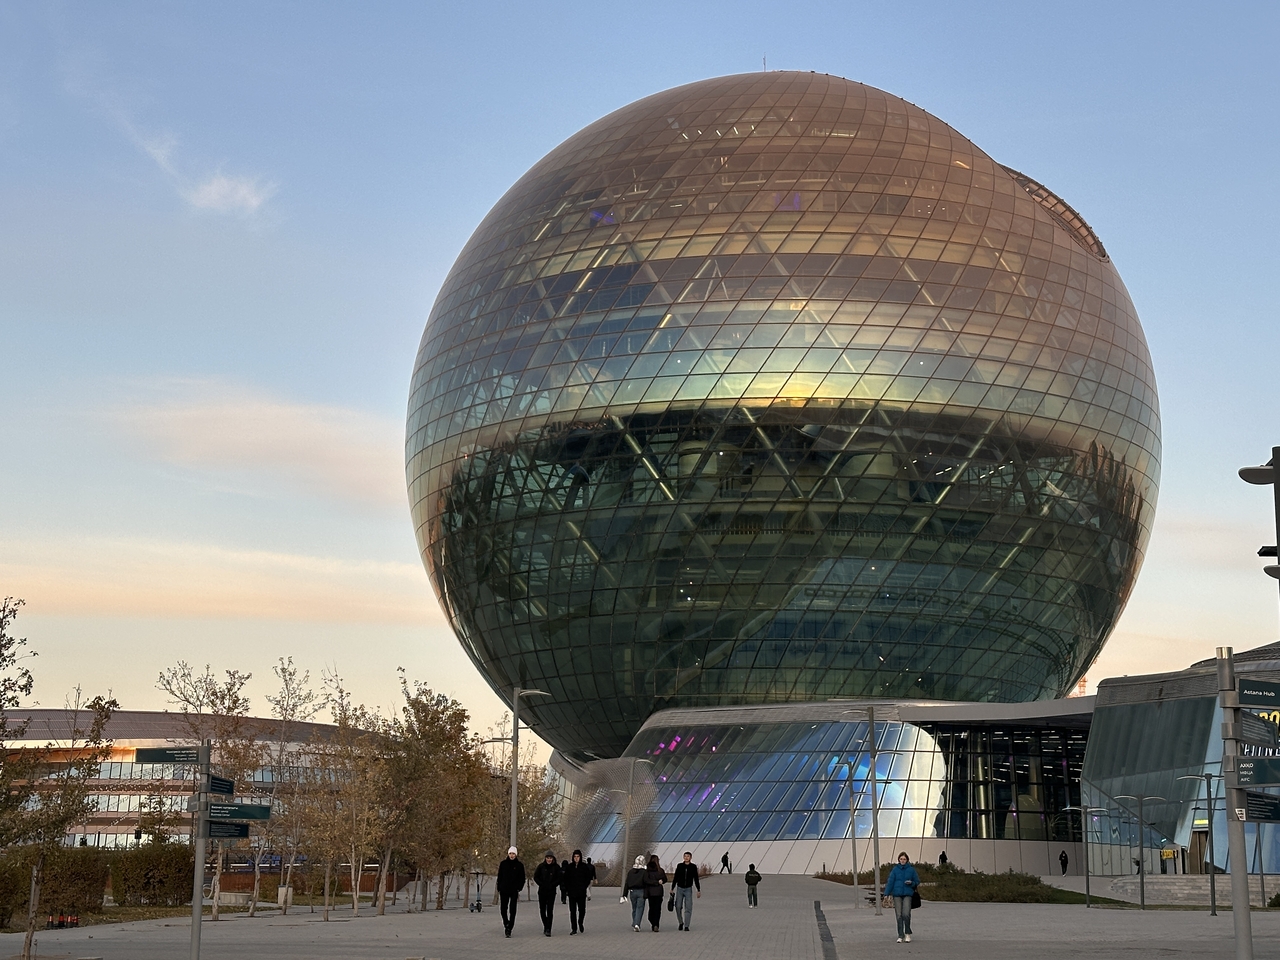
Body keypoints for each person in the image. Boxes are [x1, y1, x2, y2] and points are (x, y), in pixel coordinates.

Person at [885, 852, 921, 943]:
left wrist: (911, 883)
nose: (902, 861)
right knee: (899, 915)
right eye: (901, 859)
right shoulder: (895, 870)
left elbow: (917, 881)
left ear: (907, 860)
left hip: (907, 894)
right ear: (899, 860)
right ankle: (900, 935)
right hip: (897, 894)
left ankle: (907, 933)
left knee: (906, 914)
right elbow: (890, 882)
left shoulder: (911, 870)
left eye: (904, 859)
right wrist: (886, 893)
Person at [496, 846, 525, 938]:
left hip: (514, 890)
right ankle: (506, 923)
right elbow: (500, 876)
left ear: (516, 855)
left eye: (513, 854)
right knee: (503, 909)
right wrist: (499, 887)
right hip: (504, 889)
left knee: (512, 909)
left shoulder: (519, 865)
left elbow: (522, 878)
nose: (512, 855)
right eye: (510, 853)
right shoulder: (503, 864)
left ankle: (510, 927)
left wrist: (519, 888)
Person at [561, 849, 592, 935]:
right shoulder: (569, 867)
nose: (576, 858)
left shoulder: (584, 867)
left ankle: (580, 922)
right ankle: (574, 928)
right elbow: (565, 879)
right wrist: (568, 889)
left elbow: (588, 878)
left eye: (578, 856)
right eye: (575, 856)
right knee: (572, 911)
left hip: (581, 892)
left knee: (582, 910)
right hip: (572, 893)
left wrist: (584, 887)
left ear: (580, 857)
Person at [533, 851, 561, 937]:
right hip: (542, 891)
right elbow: (536, 877)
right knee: (542, 910)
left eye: (550, 858)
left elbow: (559, 878)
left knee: (549, 910)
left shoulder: (556, 867)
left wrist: (553, 885)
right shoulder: (541, 866)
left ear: (553, 858)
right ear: (545, 858)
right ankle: (545, 924)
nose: (549, 859)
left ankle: (548, 928)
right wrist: (541, 884)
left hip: (551, 892)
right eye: (547, 858)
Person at [672, 850, 701, 931]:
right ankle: (680, 922)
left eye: (688, 856)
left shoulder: (693, 867)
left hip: (688, 889)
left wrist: (698, 889)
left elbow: (696, 878)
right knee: (678, 906)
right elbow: (676, 877)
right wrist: (672, 888)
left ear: (690, 858)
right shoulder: (680, 866)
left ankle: (686, 925)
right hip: (680, 888)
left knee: (688, 907)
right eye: (685, 856)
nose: (686, 858)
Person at [622, 855, 648, 932]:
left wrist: (624, 894)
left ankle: (634, 922)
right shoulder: (644, 872)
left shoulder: (631, 872)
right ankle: (637, 924)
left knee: (634, 908)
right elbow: (646, 882)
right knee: (640, 908)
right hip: (641, 891)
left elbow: (627, 883)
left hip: (632, 892)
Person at [644, 855, 668, 931]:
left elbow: (646, 880)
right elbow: (665, 879)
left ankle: (653, 922)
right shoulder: (660, 870)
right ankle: (656, 924)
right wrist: (660, 882)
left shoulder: (647, 871)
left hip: (650, 892)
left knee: (651, 908)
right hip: (659, 892)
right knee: (657, 909)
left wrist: (654, 882)